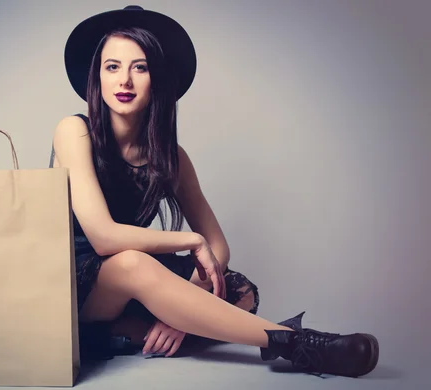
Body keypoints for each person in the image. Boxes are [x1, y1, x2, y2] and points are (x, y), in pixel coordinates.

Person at [51, 5, 379, 378]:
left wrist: (187, 307)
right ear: (97, 76)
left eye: (139, 67)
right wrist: (189, 241)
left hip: (133, 281)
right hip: (78, 284)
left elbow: (218, 247)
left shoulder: (171, 157)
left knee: (241, 291)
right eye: (112, 67)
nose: (124, 80)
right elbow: (103, 238)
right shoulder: (74, 131)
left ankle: (125, 335)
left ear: (157, 78)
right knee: (131, 262)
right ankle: (294, 342)